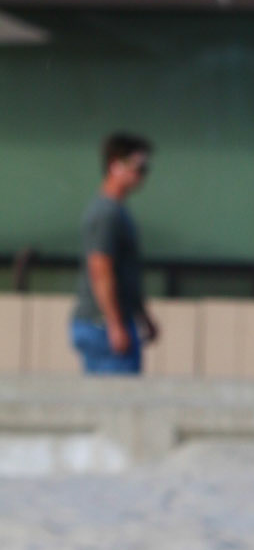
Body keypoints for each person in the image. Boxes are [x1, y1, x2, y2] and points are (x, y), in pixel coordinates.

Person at [70, 133, 159, 375]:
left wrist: (142, 316)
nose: (142, 175)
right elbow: (100, 268)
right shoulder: (106, 213)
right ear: (115, 165)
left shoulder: (117, 211)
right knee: (115, 397)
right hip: (102, 326)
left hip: (112, 322)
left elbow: (124, 274)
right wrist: (114, 324)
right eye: (137, 167)